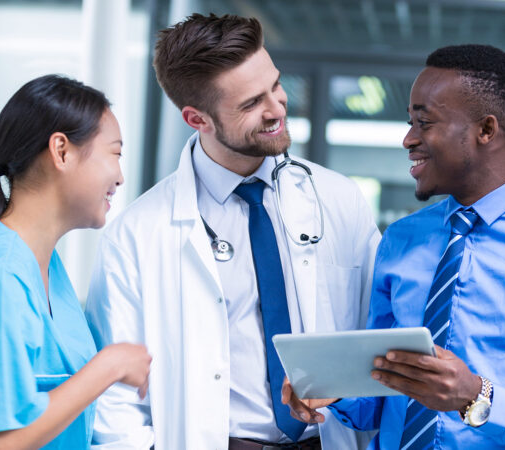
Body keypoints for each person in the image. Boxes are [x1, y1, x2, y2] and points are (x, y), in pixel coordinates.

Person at [284, 44, 505, 449]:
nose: (408, 139)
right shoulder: (401, 239)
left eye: (424, 122)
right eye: (409, 121)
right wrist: (333, 390)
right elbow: (379, 398)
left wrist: (475, 397)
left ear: (486, 130)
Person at [84, 12, 380, 450]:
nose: (277, 108)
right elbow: (115, 404)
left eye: (275, 86)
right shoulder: (136, 235)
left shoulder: (339, 200)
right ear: (197, 119)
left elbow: (376, 335)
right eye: (250, 104)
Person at [0, 75, 151, 450]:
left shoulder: (48, 267)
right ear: (61, 151)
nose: (121, 176)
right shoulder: (1, 272)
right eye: (115, 153)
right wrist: (109, 367)